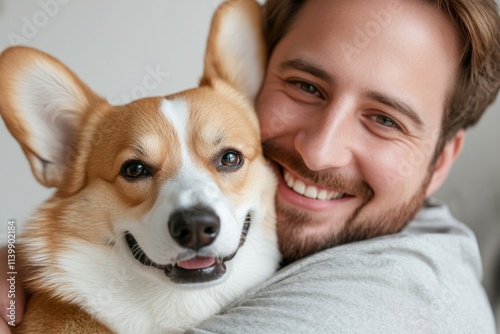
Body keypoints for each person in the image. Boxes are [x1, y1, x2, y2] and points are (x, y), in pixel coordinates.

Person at [1, 0, 499, 333]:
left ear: (440, 162)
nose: (319, 151)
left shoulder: (392, 301)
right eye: (306, 86)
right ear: (258, 76)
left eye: (385, 119)